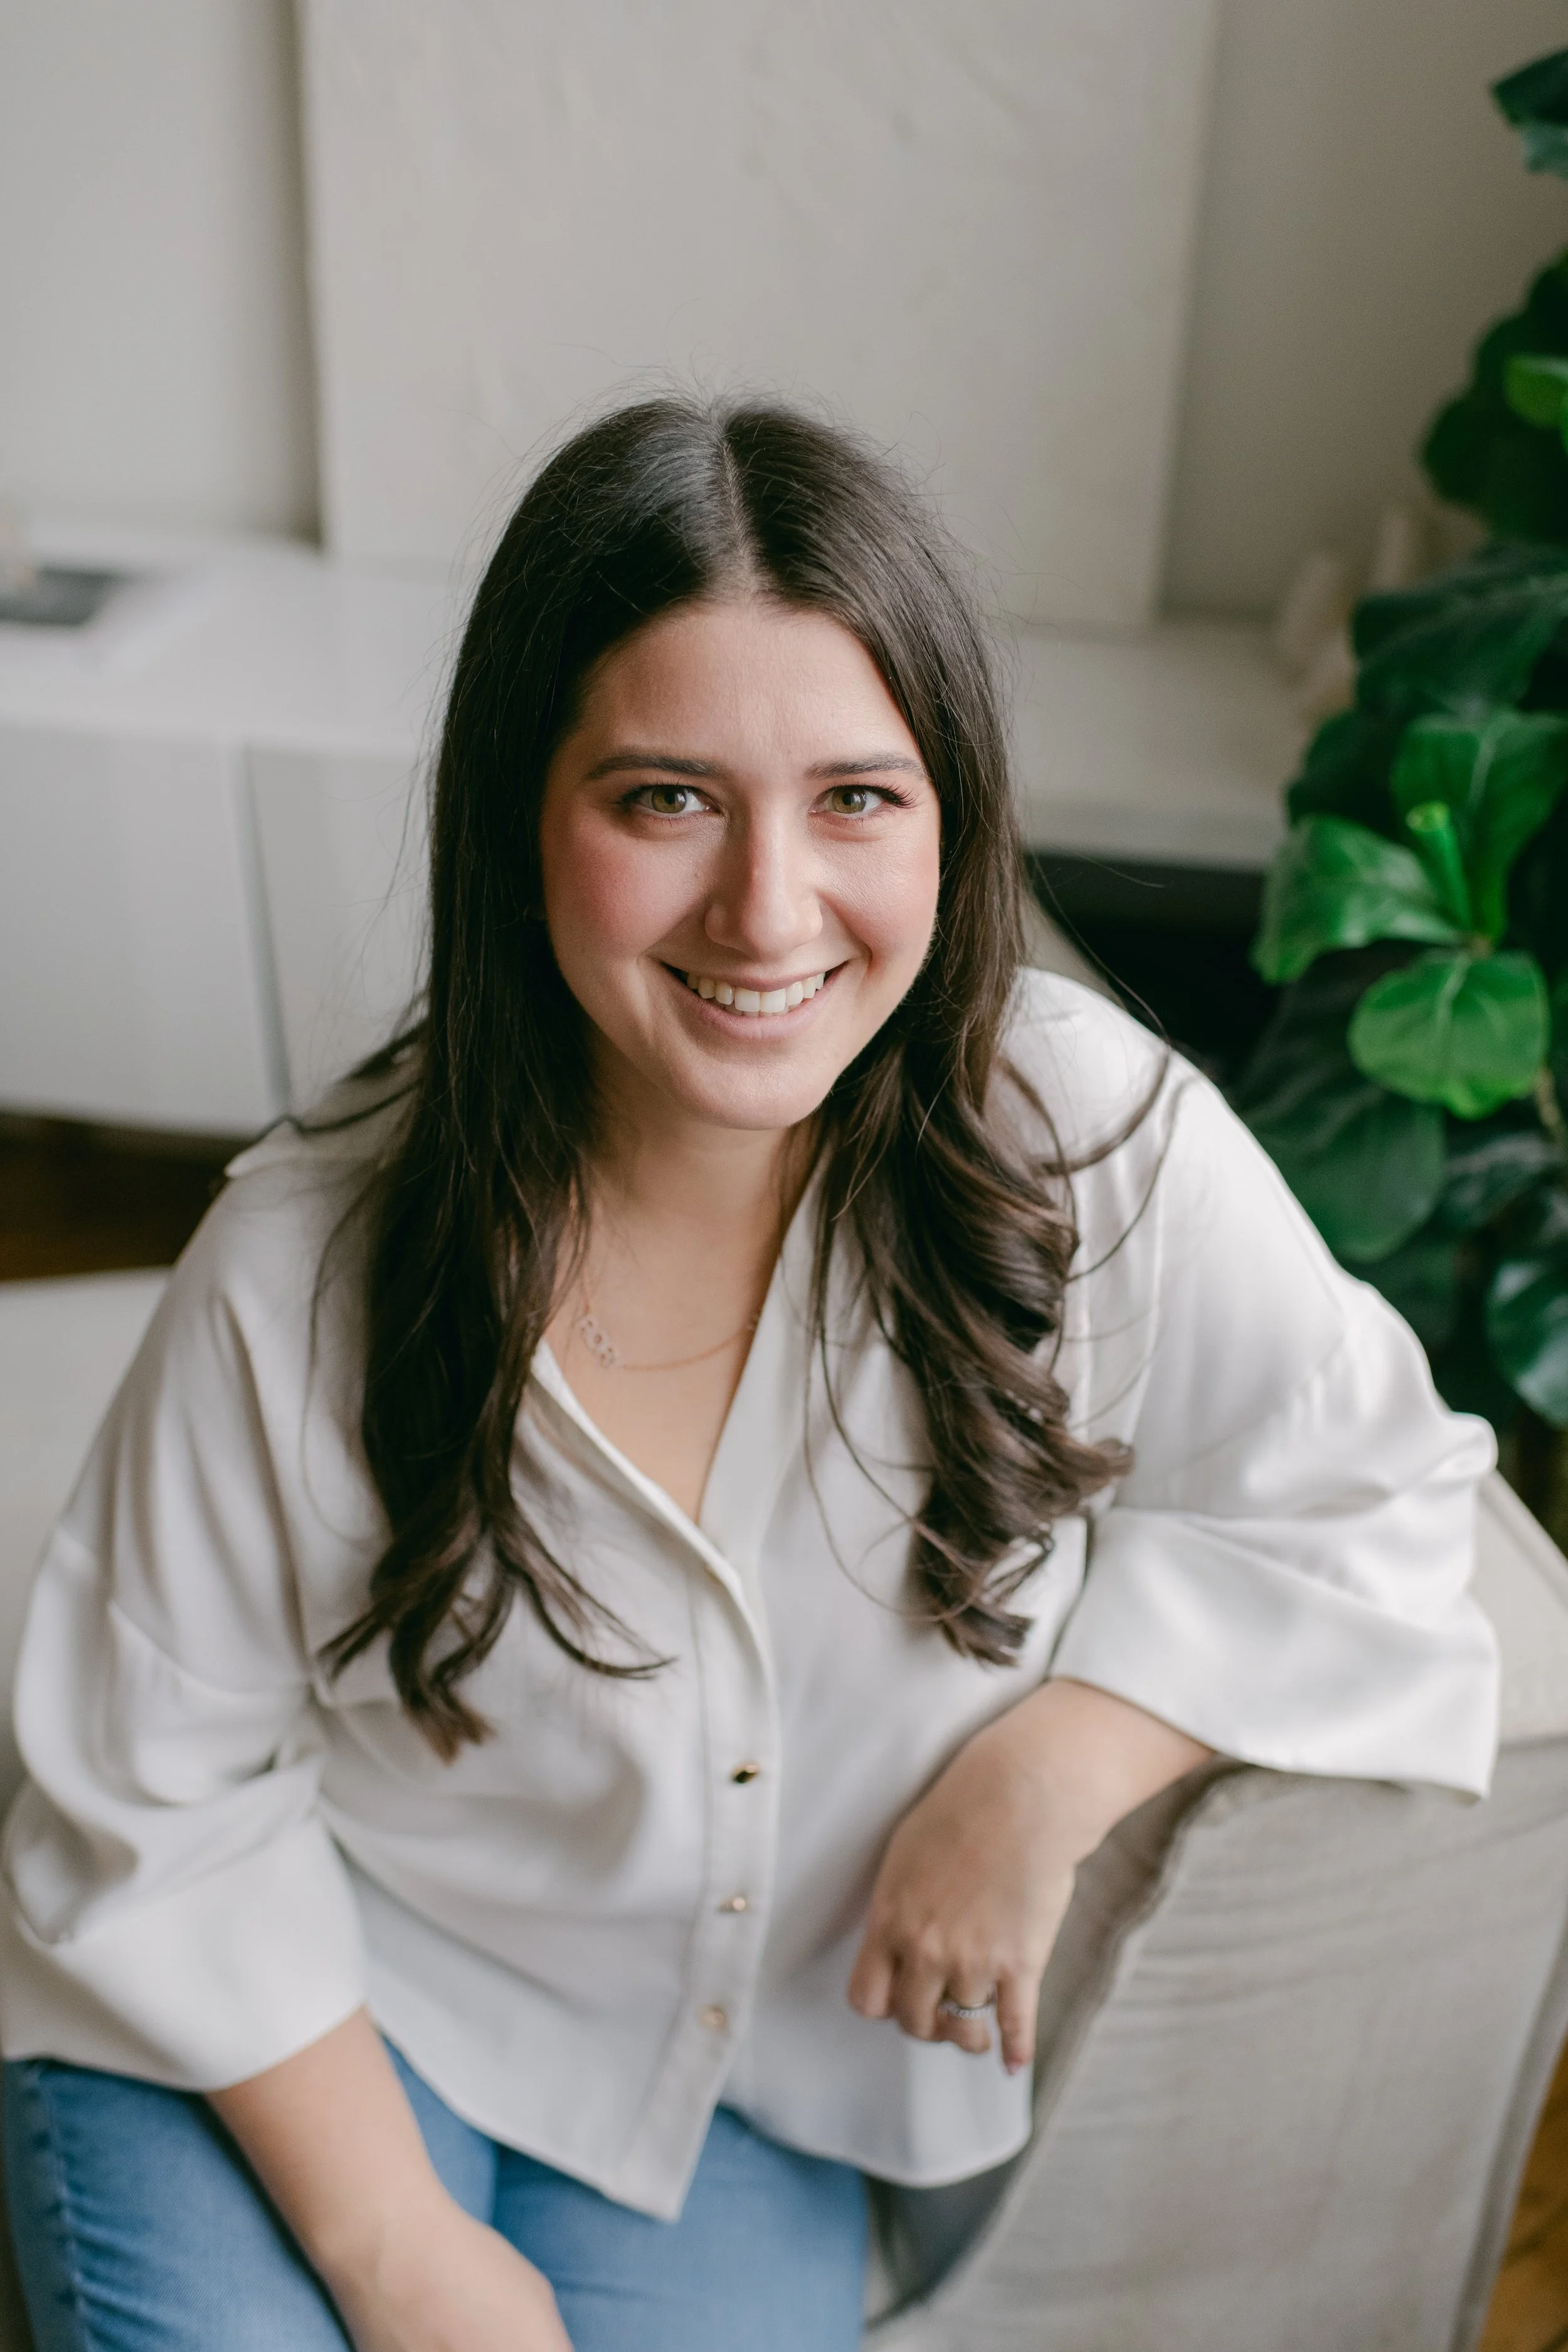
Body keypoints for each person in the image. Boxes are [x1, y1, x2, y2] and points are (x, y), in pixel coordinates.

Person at [0, 398, 1498, 2352]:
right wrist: (399, 2255)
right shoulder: (305, 1258)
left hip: (749, 2104)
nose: (770, 911)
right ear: (521, 814)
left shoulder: (1095, 1143)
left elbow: (1377, 1498)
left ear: (952, 816)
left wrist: (1054, 1763)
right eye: (664, 799)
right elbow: (145, 1794)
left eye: (857, 799)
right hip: (286, 2003)